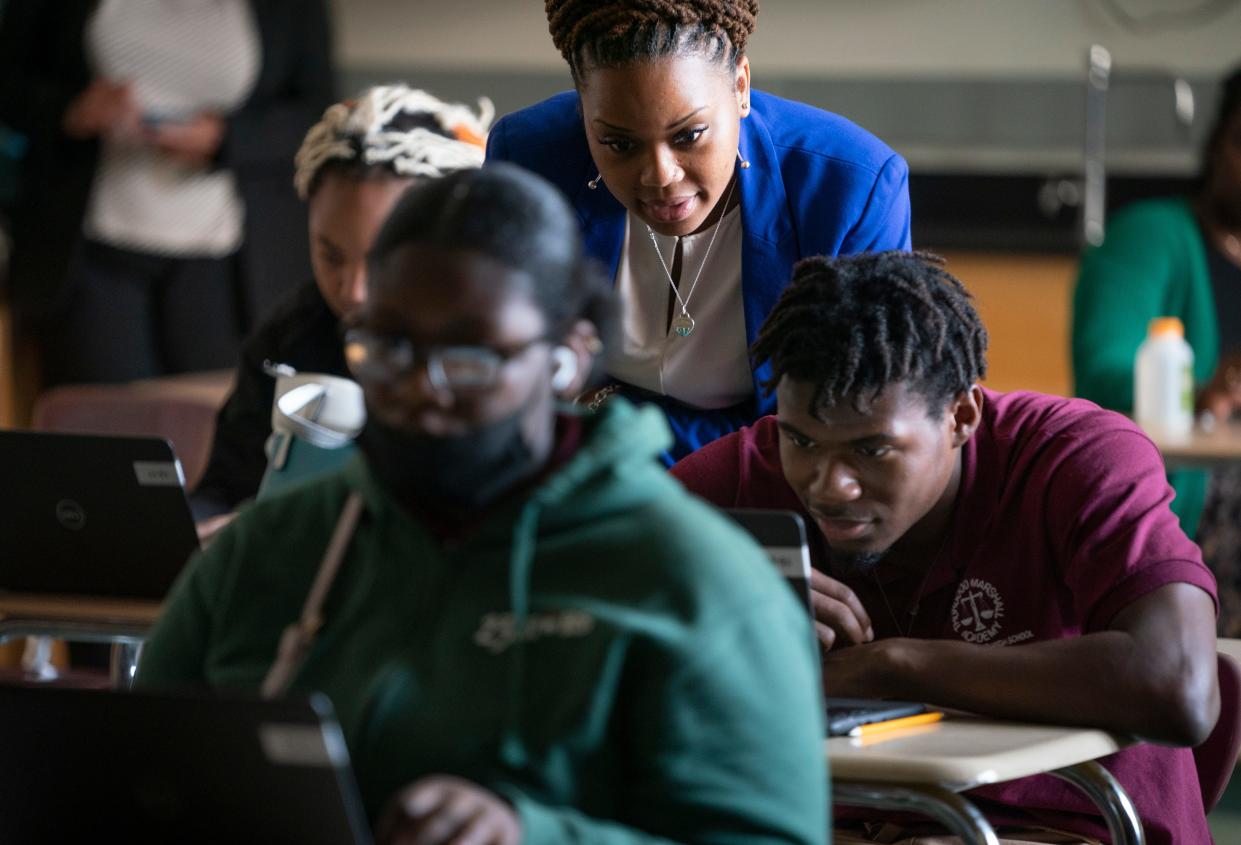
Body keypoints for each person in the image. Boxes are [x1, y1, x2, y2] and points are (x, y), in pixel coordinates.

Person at [136, 163, 829, 845]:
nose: (417, 387)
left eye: (469, 359)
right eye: (385, 346)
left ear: (567, 356)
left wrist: (534, 835)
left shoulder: (695, 581)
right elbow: (132, 782)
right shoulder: (268, 548)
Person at [672, 251, 1219, 845]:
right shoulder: (744, 478)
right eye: (802, 440)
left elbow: (1179, 688)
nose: (829, 485)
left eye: (871, 450)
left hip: (1069, 826)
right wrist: (704, 606)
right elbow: (574, 603)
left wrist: (892, 665)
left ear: (961, 416)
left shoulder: (1078, 457)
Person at [487, 0, 910, 462]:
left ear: (741, 88)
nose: (660, 176)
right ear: (582, 108)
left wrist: (616, 427)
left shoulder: (851, 190)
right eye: (618, 143)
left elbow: (844, 421)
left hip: (768, 485)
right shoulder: (529, 161)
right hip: (577, 479)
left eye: (688, 136)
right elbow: (510, 374)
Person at [191, 84, 492, 521]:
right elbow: (227, 488)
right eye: (330, 255)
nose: (351, 291)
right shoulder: (290, 336)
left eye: (380, 259)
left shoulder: (498, 349)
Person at [0, 0, 334, 385]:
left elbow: (317, 112)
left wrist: (226, 139)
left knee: (213, 425)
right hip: (93, 253)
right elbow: (9, 82)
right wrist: (71, 110)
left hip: (227, 262)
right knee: (100, 429)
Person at [1074, 64, 1241, 634]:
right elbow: (1104, 372)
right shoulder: (1152, 236)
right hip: (1194, 514)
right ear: (1220, 144)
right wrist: (1201, 391)